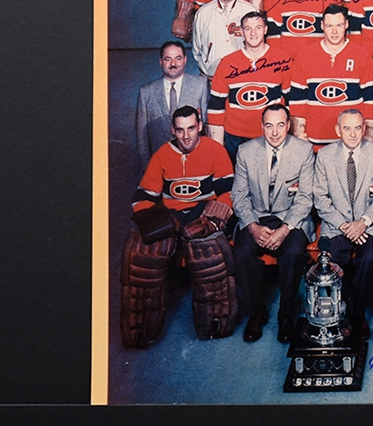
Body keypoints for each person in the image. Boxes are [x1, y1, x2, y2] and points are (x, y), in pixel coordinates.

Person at [122, 106, 236, 348]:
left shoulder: (216, 150)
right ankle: (139, 330)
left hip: (203, 211)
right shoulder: (162, 154)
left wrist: (212, 220)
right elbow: (142, 197)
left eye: (191, 129)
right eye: (180, 130)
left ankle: (215, 324)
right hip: (171, 215)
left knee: (208, 255)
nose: (186, 136)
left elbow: (228, 194)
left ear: (200, 126)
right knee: (143, 255)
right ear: (173, 130)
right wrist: (159, 223)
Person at [231, 103, 316, 343]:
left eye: (280, 125)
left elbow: (305, 198)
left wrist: (284, 230)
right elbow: (239, 195)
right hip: (256, 216)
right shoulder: (246, 151)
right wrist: (252, 226)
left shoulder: (303, 151)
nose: (275, 132)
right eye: (269, 126)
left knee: (294, 253)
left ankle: (286, 315)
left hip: (291, 218)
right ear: (262, 126)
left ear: (288, 125)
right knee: (243, 253)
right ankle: (256, 313)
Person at [312, 109, 373, 339]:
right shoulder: (325, 156)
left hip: (369, 224)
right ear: (338, 130)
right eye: (347, 128)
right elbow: (320, 199)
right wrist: (346, 225)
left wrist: (363, 223)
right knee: (335, 259)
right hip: (337, 224)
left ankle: (358, 315)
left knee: (368, 259)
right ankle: (344, 311)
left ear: (364, 129)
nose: (353, 134)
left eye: (358, 128)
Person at [287, 4, 373, 148]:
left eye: (339, 25)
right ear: (322, 25)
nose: (335, 31)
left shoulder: (362, 55)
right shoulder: (305, 55)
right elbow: (297, 99)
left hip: (352, 142)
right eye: (330, 26)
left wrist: (370, 135)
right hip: (315, 142)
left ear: (346, 24)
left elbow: (371, 100)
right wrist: (299, 134)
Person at [207, 11, 293, 162]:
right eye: (248, 29)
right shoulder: (227, 63)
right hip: (235, 137)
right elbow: (216, 107)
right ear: (241, 31)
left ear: (265, 29)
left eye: (258, 27)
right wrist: (217, 147)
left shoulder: (283, 60)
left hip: (272, 136)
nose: (253, 33)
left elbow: (291, 101)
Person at [136, 41, 209, 166]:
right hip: (160, 163)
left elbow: (207, 126)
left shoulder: (200, 85)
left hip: (196, 161)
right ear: (160, 62)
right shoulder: (146, 92)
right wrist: (146, 166)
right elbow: (141, 134)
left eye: (178, 58)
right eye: (168, 59)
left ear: (185, 60)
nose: (173, 64)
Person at [192, 0, 258, 79]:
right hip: (210, 78)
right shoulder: (203, 13)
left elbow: (257, 47)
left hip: (242, 78)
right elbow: (197, 50)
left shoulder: (250, 10)